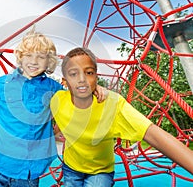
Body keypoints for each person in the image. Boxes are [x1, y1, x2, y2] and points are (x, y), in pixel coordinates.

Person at [0, 29, 107, 187]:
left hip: (29, 174)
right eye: (29, 55)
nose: (33, 61)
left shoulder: (53, 89)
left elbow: (77, 99)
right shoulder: (3, 84)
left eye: (40, 57)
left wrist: (94, 88)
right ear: (20, 57)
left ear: (48, 62)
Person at [50, 47, 193, 187]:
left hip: (100, 171)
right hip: (71, 168)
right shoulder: (57, 100)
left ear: (96, 77)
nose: (81, 79)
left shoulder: (112, 104)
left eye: (88, 72)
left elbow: (152, 133)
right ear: (64, 81)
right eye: (73, 74)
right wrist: (55, 132)